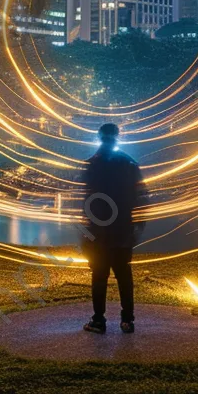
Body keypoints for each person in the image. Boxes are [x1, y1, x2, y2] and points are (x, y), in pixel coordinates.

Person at [80, 122, 145, 334]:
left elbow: (87, 200)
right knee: (123, 274)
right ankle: (127, 320)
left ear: (99, 137)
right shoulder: (129, 164)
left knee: (99, 275)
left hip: (99, 231)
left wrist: (87, 231)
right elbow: (140, 197)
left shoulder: (93, 164)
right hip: (122, 229)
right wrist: (136, 225)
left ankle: (99, 320)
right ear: (118, 136)